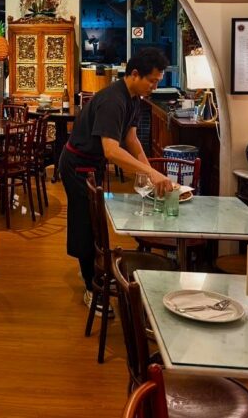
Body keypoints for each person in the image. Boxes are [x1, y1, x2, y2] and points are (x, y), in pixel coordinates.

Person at [58, 48, 173, 307]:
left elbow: (131, 139)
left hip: (91, 164)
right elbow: (111, 150)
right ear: (135, 74)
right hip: (77, 165)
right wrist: (151, 173)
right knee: (87, 224)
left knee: (95, 223)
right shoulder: (114, 100)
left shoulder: (134, 98)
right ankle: (92, 287)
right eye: (152, 80)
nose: (155, 86)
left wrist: (152, 174)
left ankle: (94, 272)